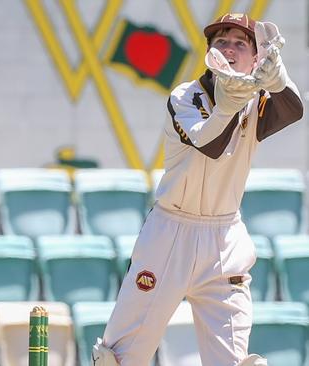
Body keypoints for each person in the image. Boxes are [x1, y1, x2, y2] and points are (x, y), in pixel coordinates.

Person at [92, 13, 303, 366]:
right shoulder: (185, 96)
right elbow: (210, 144)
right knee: (121, 357)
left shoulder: (257, 102)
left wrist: (279, 80)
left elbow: (294, 110)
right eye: (221, 42)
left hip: (224, 239)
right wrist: (228, 105)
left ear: (255, 57)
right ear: (209, 53)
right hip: (170, 234)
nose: (230, 50)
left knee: (233, 361)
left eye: (241, 44)